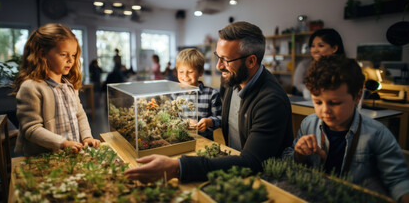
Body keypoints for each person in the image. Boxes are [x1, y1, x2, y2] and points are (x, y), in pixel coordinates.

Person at [124, 21, 293, 183]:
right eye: (217, 57)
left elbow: (251, 162)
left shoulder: (271, 100)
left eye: (225, 59)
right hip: (231, 167)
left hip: (264, 179)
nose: (219, 66)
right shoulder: (231, 80)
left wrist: (178, 167)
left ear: (251, 61)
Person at [283, 55, 409, 202]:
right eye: (317, 102)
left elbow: (398, 181)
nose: (325, 110)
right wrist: (299, 154)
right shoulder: (308, 124)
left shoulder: (377, 134)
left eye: (335, 103)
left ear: (357, 97)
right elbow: (289, 161)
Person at [13, 23, 101, 156]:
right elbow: (31, 129)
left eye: (73, 55)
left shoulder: (69, 85)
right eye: (64, 54)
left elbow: (80, 115)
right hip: (44, 158)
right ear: (43, 54)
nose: (70, 60)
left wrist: (87, 137)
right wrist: (63, 143)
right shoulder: (30, 87)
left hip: (70, 155)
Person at [175, 48, 222, 140]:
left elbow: (221, 118)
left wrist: (210, 122)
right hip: (181, 140)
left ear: (201, 72)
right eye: (181, 72)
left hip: (204, 141)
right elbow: (171, 117)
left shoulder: (211, 94)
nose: (185, 76)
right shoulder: (175, 95)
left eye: (190, 72)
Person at [293, 28, 345, 99]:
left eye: (321, 46)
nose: (315, 50)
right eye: (312, 46)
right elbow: (297, 83)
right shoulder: (312, 67)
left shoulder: (344, 69)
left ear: (334, 48)